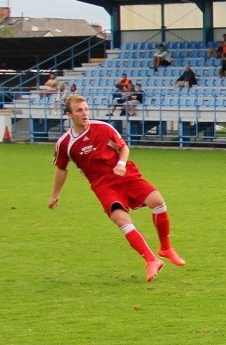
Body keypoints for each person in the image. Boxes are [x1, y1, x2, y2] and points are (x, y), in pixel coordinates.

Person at [47, 94, 183, 282]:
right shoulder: (65, 143)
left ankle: (166, 248)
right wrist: (55, 195)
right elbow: (62, 169)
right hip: (102, 184)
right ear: (69, 114)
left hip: (123, 175)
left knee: (158, 202)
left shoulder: (104, 128)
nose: (85, 113)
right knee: (122, 220)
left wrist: (121, 163)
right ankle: (151, 260)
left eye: (86, 109)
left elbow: (123, 147)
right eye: (79, 110)